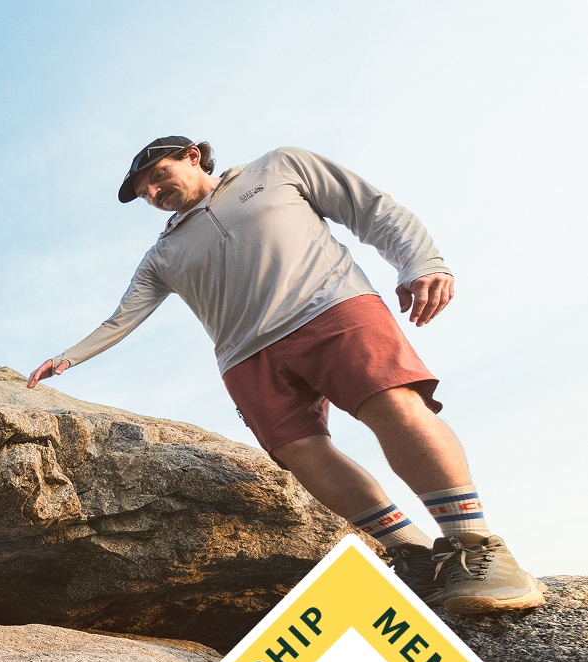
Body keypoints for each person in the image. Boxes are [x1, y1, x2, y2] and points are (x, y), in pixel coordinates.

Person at [27, 137, 542, 614]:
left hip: (330, 309)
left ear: (192, 156)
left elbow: (369, 208)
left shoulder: (277, 168)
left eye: (159, 176)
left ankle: (476, 544)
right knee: (302, 454)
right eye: (146, 193)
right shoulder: (161, 255)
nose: (155, 193)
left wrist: (422, 261)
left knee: (392, 405)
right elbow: (123, 317)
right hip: (244, 356)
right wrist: (68, 357)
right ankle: (414, 555)